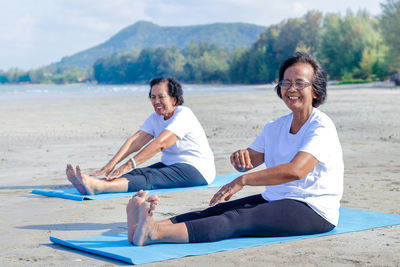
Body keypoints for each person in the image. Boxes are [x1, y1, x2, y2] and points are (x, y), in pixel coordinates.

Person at [127, 52, 344, 246]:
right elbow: (251, 159)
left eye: (300, 83)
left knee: (237, 219)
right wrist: (240, 158)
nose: (291, 89)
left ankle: (154, 233)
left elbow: (296, 170)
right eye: (286, 83)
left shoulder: (321, 126)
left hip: (313, 208)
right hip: (277, 199)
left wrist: (243, 180)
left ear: (316, 91)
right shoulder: (275, 127)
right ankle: (147, 226)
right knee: (216, 211)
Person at [66, 77, 215, 195]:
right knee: (138, 172)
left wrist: (128, 164)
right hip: (171, 165)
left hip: (197, 170)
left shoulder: (184, 115)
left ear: (174, 99)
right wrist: (112, 164)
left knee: (149, 178)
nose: (156, 101)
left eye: (161, 97)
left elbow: (160, 144)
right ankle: (92, 183)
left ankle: (99, 186)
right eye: (153, 97)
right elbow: (135, 141)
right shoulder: (154, 118)